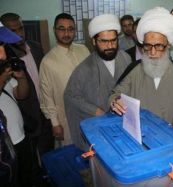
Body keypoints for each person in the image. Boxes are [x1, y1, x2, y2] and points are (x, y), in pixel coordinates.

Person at [109, 7, 173, 133]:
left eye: (158, 46)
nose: (152, 52)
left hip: (168, 139)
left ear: (168, 46)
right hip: (139, 139)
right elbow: (115, 94)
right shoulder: (134, 70)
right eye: (148, 46)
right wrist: (116, 101)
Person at [64, 14, 131, 150]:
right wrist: (96, 111)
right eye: (104, 41)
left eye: (113, 40)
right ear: (94, 41)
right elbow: (71, 96)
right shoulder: (84, 68)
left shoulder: (126, 58)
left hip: (124, 122)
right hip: (100, 126)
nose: (110, 46)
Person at [0, 12, 54, 156]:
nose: (20, 34)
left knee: (49, 151)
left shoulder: (36, 47)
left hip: (46, 112)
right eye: (13, 31)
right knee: (32, 156)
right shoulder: (6, 59)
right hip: (27, 118)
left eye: (21, 28)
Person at [0, 21, 41, 187]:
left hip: (20, 139)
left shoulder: (3, 70)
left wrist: (21, 77)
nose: (3, 55)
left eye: (2, 45)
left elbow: (21, 94)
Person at [39, 13, 90, 148]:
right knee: (71, 152)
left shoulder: (83, 50)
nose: (66, 33)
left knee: (91, 148)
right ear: (54, 30)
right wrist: (55, 124)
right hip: (65, 119)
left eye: (71, 29)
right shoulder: (48, 61)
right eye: (62, 29)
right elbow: (46, 96)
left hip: (89, 113)